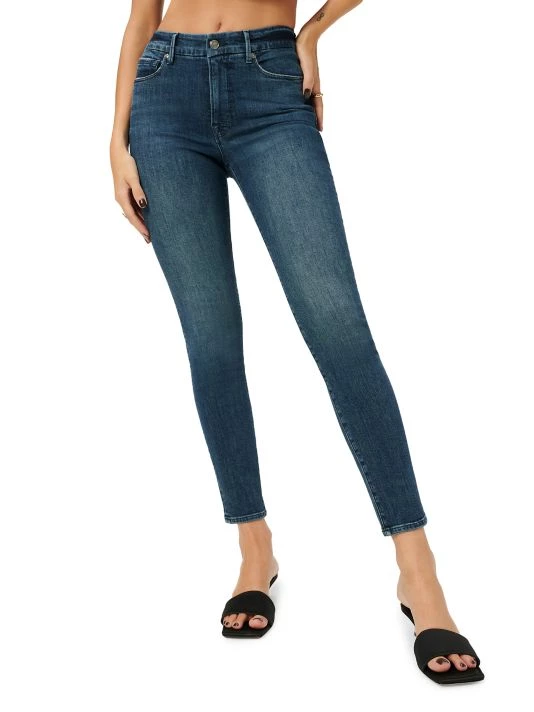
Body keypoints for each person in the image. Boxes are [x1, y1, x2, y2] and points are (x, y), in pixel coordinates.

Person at [110, 0, 484, 683]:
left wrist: (313, 29)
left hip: (269, 84)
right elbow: (142, 14)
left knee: (339, 330)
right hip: (162, 95)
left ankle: (418, 571)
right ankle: (254, 549)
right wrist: (115, 140)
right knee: (210, 340)